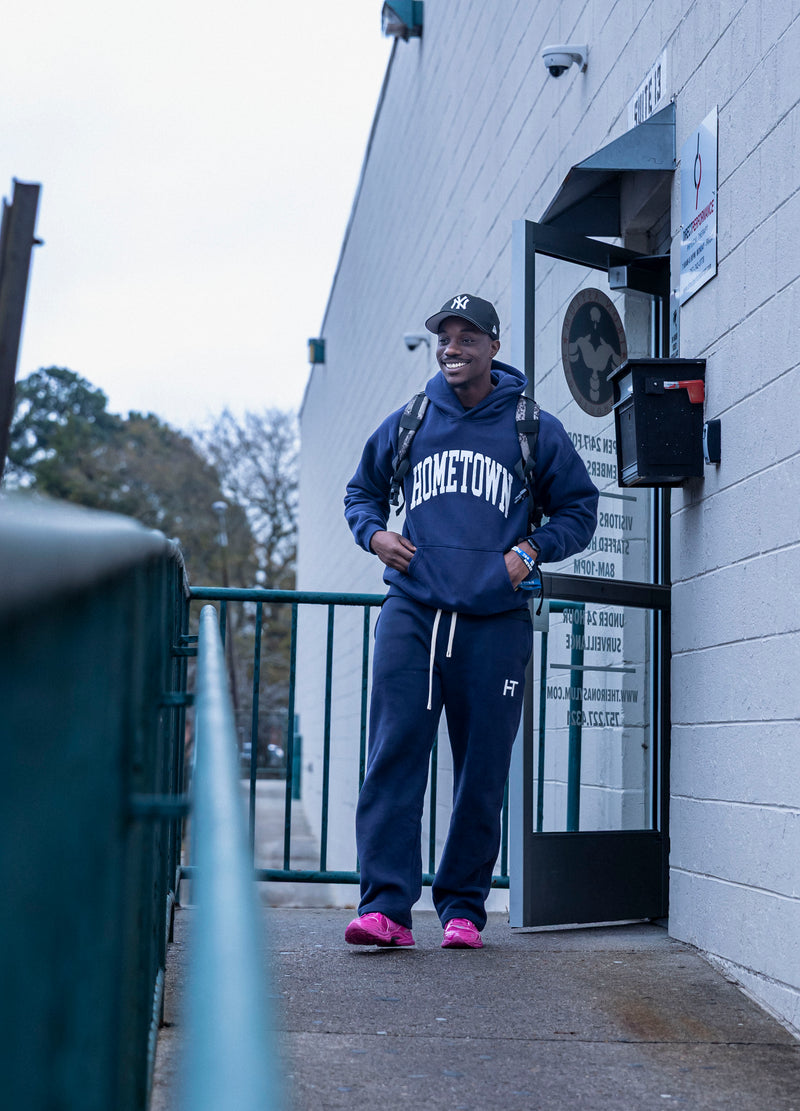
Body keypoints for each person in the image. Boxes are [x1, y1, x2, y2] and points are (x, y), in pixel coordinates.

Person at [343, 294, 598, 950]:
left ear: (492, 345)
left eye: (465, 338)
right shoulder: (412, 419)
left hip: (494, 620)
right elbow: (360, 491)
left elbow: (579, 509)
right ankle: (386, 909)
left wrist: (530, 550)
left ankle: (461, 907)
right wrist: (375, 535)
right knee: (394, 755)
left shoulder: (529, 425)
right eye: (444, 338)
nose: (451, 348)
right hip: (414, 610)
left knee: (481, 768)